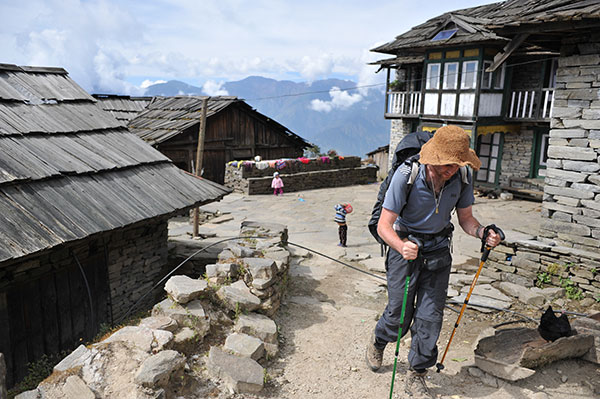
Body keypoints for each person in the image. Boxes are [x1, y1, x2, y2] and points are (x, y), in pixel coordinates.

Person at [365, 125, 502, 399]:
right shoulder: (407, 174)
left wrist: (482, 232)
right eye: (446, 164)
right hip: (404, 246)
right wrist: (401, 245)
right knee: (399, 317)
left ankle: (416, 374)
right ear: (433, 157)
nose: (450, 169)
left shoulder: (462, 176)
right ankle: (380, 339)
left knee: (430, 318)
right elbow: (384, 225)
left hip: (438, 251)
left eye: (456, 163)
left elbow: (465, 219)